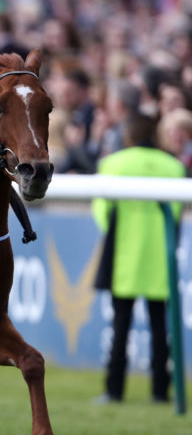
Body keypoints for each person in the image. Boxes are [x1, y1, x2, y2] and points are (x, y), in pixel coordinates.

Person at [92, 113, 185, 404]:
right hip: (161, 257)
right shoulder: (174, 166)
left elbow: (101, 212)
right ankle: (161, 392)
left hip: (124, 257)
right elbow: (178, 214)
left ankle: (114, 391)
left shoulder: (112, 164)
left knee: (120, 327)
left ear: (128, 136)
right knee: (161, 328)